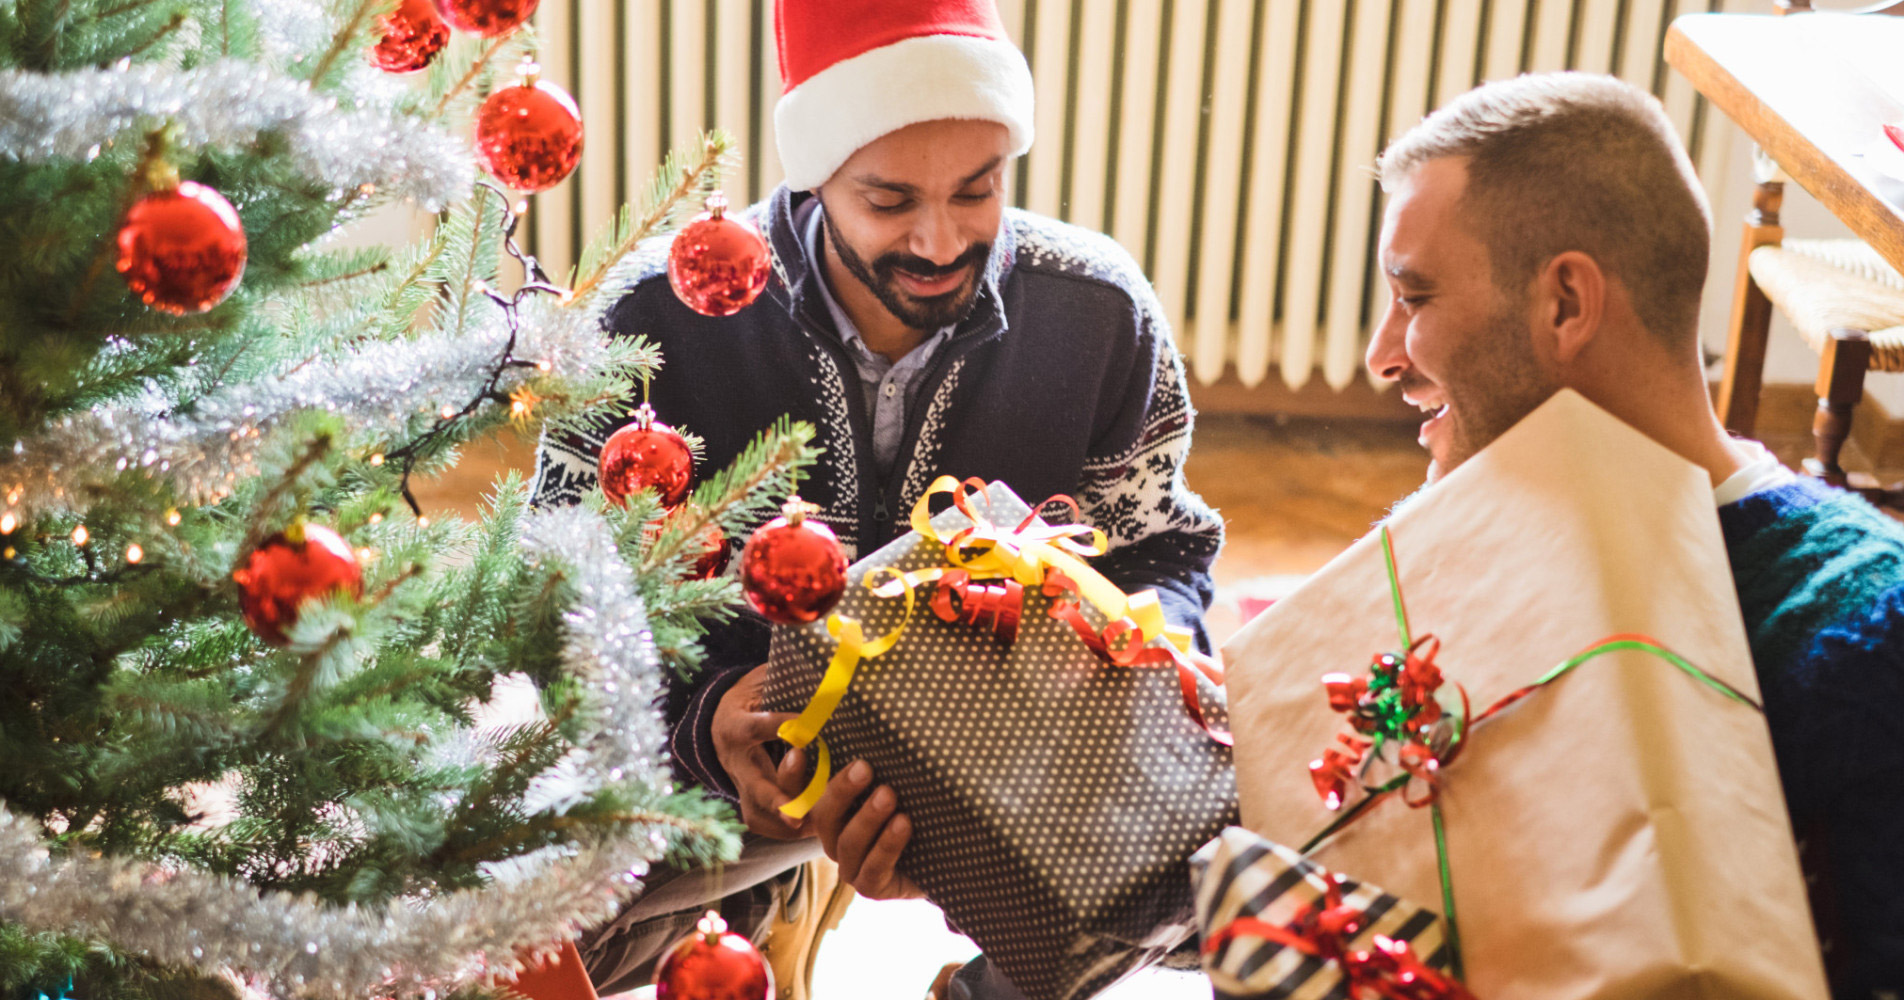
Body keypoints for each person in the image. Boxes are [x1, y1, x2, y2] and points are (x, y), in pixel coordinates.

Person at [530, 0, 1224, 995]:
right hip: (719, 768)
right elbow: (558, 595)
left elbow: (1160, 551)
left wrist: (1126, 693)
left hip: (1017, 765)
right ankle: (759, 900)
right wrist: (704, 730)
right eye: (889, 200)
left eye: (977, 191)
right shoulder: (652, 317)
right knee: (484, 925)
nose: (940, 241)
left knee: (1245, 866)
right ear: (814, 175)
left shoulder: (1098, 310)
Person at [1364, 71, 1902, 998]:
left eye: (1415, 298)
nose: (1381, 357)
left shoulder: (1863, 641)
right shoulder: (1471, 546)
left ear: (1566, 304)